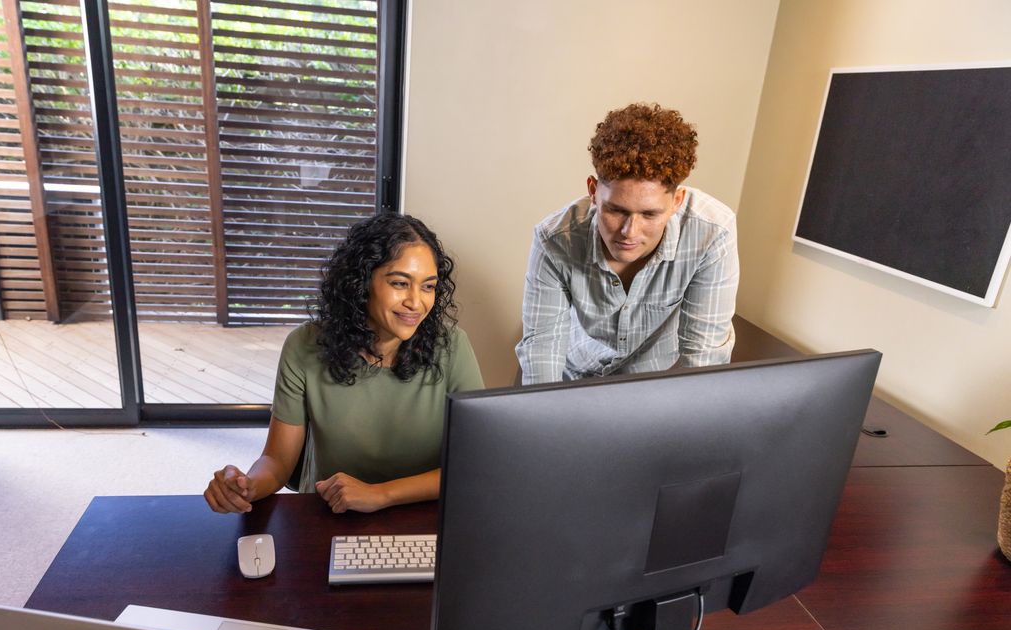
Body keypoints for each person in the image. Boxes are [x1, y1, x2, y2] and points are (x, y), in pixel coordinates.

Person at [204, 212, 483, 514]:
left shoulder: (453, 347)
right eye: (400, 283)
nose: (416, 302)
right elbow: (277, 461)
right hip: (331, 513)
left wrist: (381, 494)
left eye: (428, 286)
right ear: (361, 282)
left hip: (424, 515)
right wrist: (245, 486)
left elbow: (475, 466)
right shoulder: (304, 345)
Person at [516, 102, 739, 384]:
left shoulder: (712, 232)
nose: (629, 232)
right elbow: (542, 351)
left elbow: (703, 358)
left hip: (657, 385)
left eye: (649, 214)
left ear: (676, 202)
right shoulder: (554, 239)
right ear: (594, 192)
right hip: (575, 377)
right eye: (616, 210)